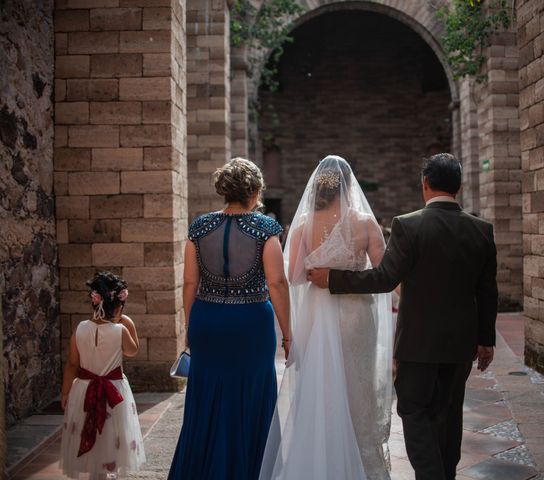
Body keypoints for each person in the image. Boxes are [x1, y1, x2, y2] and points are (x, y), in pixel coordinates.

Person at [308, 153, 498, 480]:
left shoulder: (409, 225)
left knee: (413, 410)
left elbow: (384, 278)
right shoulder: (481, 230)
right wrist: (486, 340)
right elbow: (487, 291)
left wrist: (333, 279)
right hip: (460, 344)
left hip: (417, 343)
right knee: (449, 414)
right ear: (460, 185)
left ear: (425, 183)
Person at [260, 155, 393, 480]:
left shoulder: (305, 224)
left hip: (319, 317)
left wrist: (320, 271)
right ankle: (360, 464)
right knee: (356, 387)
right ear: (348, 186)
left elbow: (294, 276)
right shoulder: (364, 222)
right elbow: (386, 273)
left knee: (322, 387)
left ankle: (323, 459)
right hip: (357, 316)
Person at [169, 158, 291, 480]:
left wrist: (189, 326)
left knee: (207, 394)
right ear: (254, 191)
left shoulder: (199, 227)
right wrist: (288, 333)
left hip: (207, 320)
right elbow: (277, 283)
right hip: (251, 322)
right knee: (251, 393)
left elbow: (190, 283)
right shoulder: (266, 229)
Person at [60, 271, 145, 480]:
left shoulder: (80, 329)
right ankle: (106, 473)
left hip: (83, 390)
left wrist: (65, 392)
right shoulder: (120, 330)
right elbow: (132, 350)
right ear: (118, 306)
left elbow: (72, 364)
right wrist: (126, 322)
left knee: (89, 433)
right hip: (113, 392)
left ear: (94, 301)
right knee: (111, 434)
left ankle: (97, 473)